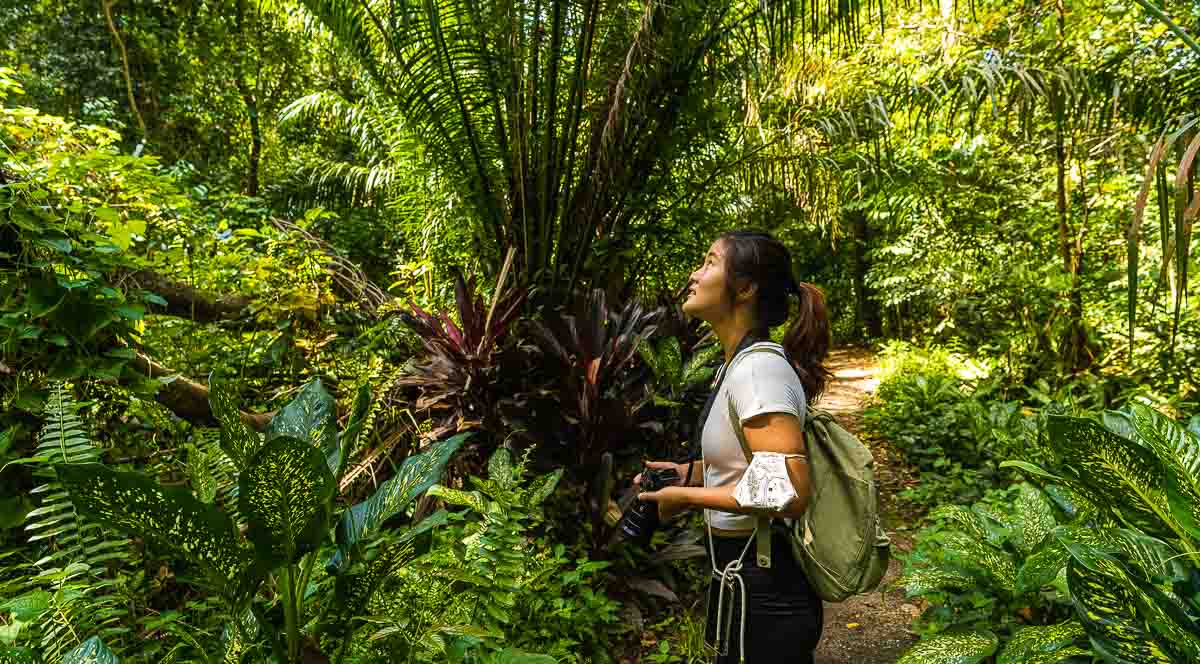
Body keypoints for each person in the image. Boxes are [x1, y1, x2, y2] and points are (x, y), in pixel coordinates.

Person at [637, 229, 832, 663]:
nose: (694, 274)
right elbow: (750, 468)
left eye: (709, 262)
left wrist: (684, 496)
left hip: (766, 588)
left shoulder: (758, 371)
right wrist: (682, 473)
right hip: (741, 579)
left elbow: (789, 488)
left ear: (745, 288)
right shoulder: (737, 366)